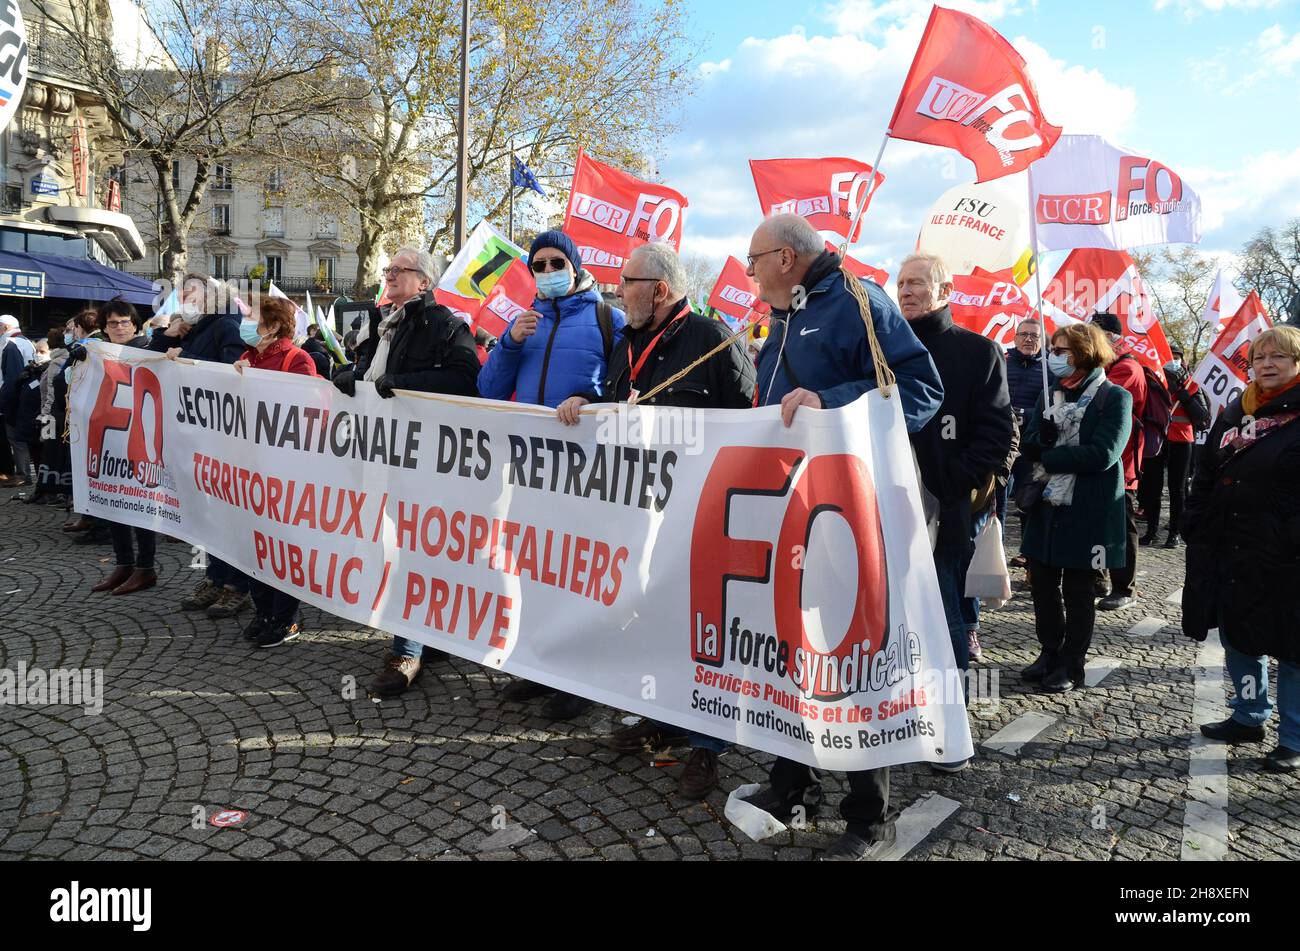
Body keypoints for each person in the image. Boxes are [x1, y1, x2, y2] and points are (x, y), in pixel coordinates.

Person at [738, 214, 943, 861]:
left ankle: (867, 814)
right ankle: (792, 783)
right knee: (793, 651)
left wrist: (834, 400)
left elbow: (920, 389)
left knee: (854, 657)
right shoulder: (784, 312)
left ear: (788, 258)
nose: (747, 273)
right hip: (790, 506)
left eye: (754, 260)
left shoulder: (859, 301)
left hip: (852, 514)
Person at [557, 241, 755, 799]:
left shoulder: (713, 341)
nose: (618, 291)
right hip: (639, 512)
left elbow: (747, 429)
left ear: (661, 290)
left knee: (704, 627)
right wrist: (581, 400)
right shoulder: (625, 342)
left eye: (627, 282)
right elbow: (617, 404)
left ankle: (708, 746)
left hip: (701, 515)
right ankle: (662, 715)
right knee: (651, 619)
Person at [483, 230, 627, 720]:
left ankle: (580, 679)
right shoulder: (524, 321)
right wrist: (507, 342)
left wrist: (590, 403)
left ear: (574, 264)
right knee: (535, 567)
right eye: (537, 265)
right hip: (528, 467)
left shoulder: (609, 319)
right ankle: (540, 666)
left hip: (583, 470)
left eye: (554, 262)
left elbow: (627, 391)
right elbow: (488, 388)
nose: (545, 273)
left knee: (577, 571)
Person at [333, 246, 481, 696]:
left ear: (424, 282)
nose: (390, 275)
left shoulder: (445, 325)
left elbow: (465, 380)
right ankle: (429, 634)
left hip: (421, 464)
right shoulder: (384, 323)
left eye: (400, 270)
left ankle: (407, 652)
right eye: (388, 269)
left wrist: (402, 385)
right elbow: (370, 375)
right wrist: (348, 377)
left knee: (412, 551)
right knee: (388, 544)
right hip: (379, 456)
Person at [899, 252, 1013, 750]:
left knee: (948, 617)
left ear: (945, 291)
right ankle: (906, 709)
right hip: (884, 505)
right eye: (900, 282)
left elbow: (995, 436)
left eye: (918, 283)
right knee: (898, 616)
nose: (905, 291)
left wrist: (948, 485)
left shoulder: (979, 352)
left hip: (945, 513)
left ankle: (952, 725)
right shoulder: (883, 350)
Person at [1184, 326, 1300, 773]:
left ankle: (1292, 738)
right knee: (1239, 637)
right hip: (1231, 548)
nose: (1267, 364)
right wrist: (1194, 517)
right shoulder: (1237, 409)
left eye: (1279, 357)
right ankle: (1249, 716)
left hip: (1287, 556)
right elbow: (1207, 470)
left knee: (1292, 648)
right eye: (1259, 357)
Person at [1019, 323, 1132, 693]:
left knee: (1079, 591)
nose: (1054, 357)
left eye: (1062, 350)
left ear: (1085, 352)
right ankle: (1049, 652)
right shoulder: (1048, 396)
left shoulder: (1113, 398)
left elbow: (1103, 454)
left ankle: (1072, 663)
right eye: (1053, 350)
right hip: (1047, 506)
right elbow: (1029, 440)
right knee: (1043, 587)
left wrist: (1051, 455)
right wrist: (1042, 438)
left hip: (1089, 511)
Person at [153, 277, 255, 619]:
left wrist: (188, 357)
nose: (181, 298)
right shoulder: (196, 328)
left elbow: (231, 372)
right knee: (208, 515)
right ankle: (215, 577)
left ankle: (237, 586)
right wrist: (167, 338)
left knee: (227, 515)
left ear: (213, 297)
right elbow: (151, 360)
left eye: (189, 292)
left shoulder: (226, 325)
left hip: (221, 438)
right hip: (198, 436)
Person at [233, 297, 319, 647]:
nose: (246, 322)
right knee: (254, 544)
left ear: (271, 325)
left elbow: (308, 415)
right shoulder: (246, 359)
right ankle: (263, 611)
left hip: (285, 471)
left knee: (283, 546)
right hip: (249, 466)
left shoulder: (297, 360)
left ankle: (286, 618)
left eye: (251, 317)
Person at [89, 301, 161, 595]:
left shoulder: (151, 351)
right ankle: (123, 564)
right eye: (112, 323)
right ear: (104, 329)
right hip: (112, 441)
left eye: (124, 322)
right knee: (113, 503)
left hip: (141, 439)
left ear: (135, 324)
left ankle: (145, 567)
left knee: (139, 504)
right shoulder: (99, 354)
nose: (119, 327)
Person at [1088, 312, 1146, 610]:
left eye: (1094, 333)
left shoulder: (1127, 369)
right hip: (1099, 462)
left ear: (1110, 336)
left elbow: (1096, 400)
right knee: (1096, 522)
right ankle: (1098, 579)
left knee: (1121, 525)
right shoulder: (1108, 366)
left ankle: (1125, 587)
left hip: (1121, 464)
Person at [1138, 348, 1209, 548]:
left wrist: (1183, 394)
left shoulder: (1192, 387)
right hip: (1158, 441)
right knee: (1153, 487)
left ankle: (1174, 532)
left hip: (1182, 442)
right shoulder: (1155, 384)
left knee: (1177, 489)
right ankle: (1151, 530)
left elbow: (1203, 417)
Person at [1003, 318, 1054, 563]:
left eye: (1035, 336)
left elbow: (1055, 408)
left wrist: (1027, 415)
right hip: (1001, 443)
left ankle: (1029, 554)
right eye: (1024, 334)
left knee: (1029, 501)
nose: (1029, 339)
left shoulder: (1050, 371)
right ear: (1015, 338)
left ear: (1042, 342)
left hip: (1031, 447)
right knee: (996, 498)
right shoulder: (1001, 363)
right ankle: (993, 552)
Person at [0, 314, 37, 486]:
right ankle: (23, 474)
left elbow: (11, 378)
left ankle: (22, 475)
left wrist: (5, 401)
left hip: (15, 397)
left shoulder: (11, 345)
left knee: (16, 437)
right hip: (25, 394)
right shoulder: (26, 342)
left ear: (5, 327)